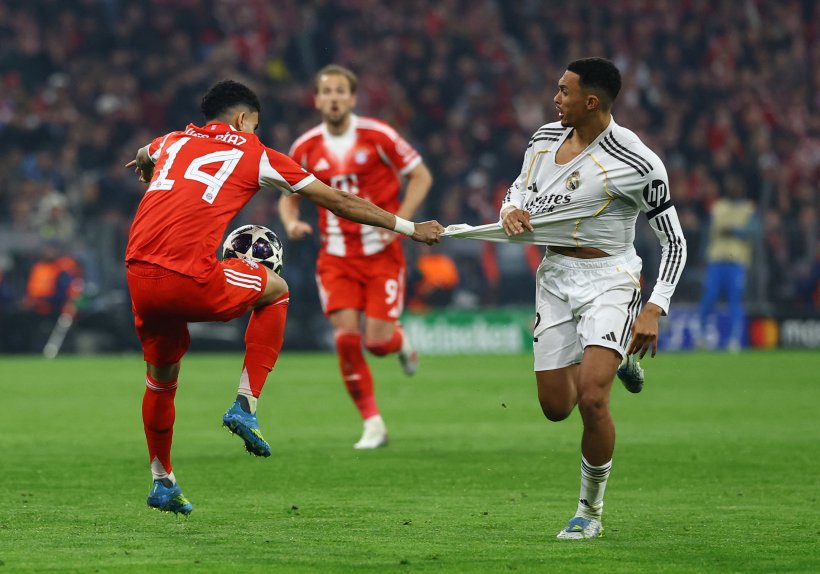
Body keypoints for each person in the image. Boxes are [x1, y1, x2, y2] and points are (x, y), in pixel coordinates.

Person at [124, 79, 444, 515]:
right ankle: (245, 404)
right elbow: (338, 200)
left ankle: (162, 479)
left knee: (161, 380)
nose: (254, 132)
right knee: (277, 290)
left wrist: (147, 169)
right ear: (243, 120)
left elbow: (144, 154)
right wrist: (409, 227)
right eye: (254, 126)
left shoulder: (172, 141)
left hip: (139, 277)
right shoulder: (255, 153)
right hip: (190, 277)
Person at [447, 57, 687, 539]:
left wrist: (654, 308)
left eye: (564, 91)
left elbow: (675, 242)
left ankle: (589, 512)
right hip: (555, 275)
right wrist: (510, 209)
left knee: (593, 400)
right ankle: (613, 355)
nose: (555, 98)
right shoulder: (543, 139)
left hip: (611, 277)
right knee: (556, 406)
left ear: (591, 101)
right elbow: (520, 188)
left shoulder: (638, 163)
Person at [279, 65, 434, 449]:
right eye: (326, 91)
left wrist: (401, 222)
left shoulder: (378, 135)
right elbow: (288, 195)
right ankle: (373, 423)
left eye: (340, 91)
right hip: (335, 258)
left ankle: (400, 343)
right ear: (317, 100)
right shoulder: (305, 147)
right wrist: (291, 222)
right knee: (347, 340)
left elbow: (421, 176)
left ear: (352, 98)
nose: (333, 97)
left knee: (377, 343)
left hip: (381, 254)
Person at [697, 178, 757, 351]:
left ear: (742, 189)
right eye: (732, 187)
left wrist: (735, 231)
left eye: (736, 187)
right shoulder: (718, 207)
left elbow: (754, 231)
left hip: (736, 262)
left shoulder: (748, 208)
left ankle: (734, 339)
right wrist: (702, 256)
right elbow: (707, 233)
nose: (734, 190)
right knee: (709, 297)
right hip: (716, 260)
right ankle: (701, 336)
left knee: (734, 301)